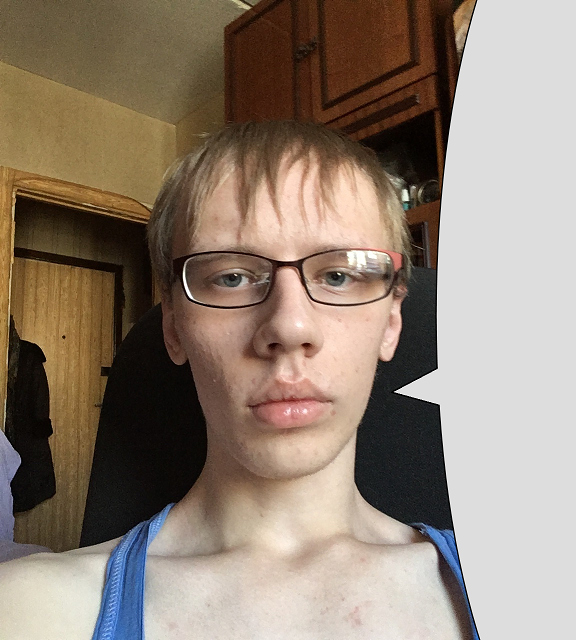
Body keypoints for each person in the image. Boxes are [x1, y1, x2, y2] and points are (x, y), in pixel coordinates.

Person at [0, 121, 478, 639]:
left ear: (391, 323)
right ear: (173, 328)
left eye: (338, 275)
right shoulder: (29, 611)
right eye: (231, 277)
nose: (289, 327)